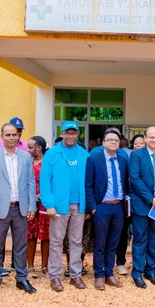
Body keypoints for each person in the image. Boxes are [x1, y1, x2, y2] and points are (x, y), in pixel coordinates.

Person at [0, 123, 37, 298]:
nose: (12, 138)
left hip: (20, 208)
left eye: (15, 135)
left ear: (18, 136)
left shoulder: (25, 157)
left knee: (20, 246)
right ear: (1, 136)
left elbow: (30, 183)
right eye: (8, 135)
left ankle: (21, 279)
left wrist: (31, 206)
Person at [42, 121, 90, 291]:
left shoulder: (84, 155)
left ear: (78, 135)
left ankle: (75, 274)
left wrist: (88, 205)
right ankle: (54, 276)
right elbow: (45, 181)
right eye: (67, 133)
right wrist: (49, 204)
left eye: (74, 133)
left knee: (76, 241)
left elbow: (88, 182)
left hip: (79, 205)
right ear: (62, 133)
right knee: (56, 241)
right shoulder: (53, 154)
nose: (71, 136)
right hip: (59, 206)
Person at [128, 126, 155, 288]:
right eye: (151, 137)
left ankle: (150, 270)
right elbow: (135, 179)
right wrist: (151, 199)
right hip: (142, 204)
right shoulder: (136, 155)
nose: (154, 140)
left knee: (154, 239)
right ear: (145, 139)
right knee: (140, 239)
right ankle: (137, 272)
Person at [86, 129, 129, 291]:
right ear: (103, 143)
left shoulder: (123, 160)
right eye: (110, 140)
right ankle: (98, 275)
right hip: (101, 206)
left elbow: (125, 183)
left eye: (116, 140)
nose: (113, 142)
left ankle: (109, 273)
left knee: (113, 242)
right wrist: (93, 208)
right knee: (100, 243)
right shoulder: (94, 159)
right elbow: (88, 185)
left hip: (118, 207)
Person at [116, 134, 145, 276]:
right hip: (127, 202)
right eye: (136, 143)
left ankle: (139, 263)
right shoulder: (125, 158)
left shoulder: (149, 160)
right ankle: (120, 262)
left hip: (144, 202)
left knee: (141, 235)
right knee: (123, 233)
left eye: (141, 143)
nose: (138, 145)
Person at [27, 136, 50, 279]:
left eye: (30, 147)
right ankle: (30, 266)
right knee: (30, 235)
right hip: (29, 205)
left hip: (45, 205)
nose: (28, 150)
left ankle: (45, 266)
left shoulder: (48, 163)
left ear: (39, 148)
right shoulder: (26, 162)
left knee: (46, 236)